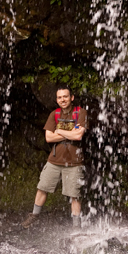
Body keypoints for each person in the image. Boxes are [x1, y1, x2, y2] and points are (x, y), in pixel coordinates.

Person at [22, 84, 87, 228]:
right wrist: (69, 133)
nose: (62, 99)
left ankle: (76, 227)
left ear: (71, 98)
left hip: (74, 162)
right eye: (59, 97)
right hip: (54, 160)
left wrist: (60, 131)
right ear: (57, 100)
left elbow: (78, 136)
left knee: (74, 195)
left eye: (65, 96)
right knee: (42, 187)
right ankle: (34, 216)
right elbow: (49, 138)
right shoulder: (54, 114)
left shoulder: (80, 113)